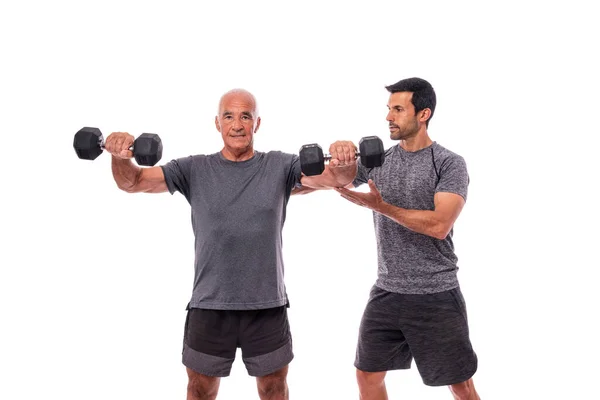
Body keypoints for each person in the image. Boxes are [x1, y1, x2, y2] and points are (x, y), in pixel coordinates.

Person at [102, 88, 353, 400]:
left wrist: (343, 158)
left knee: (274, 389)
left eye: (245, 117)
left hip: (266, 305)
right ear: (217, 123)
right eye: (229, 116)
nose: (237, 125)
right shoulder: (192, 169)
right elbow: (133, 182)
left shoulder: (279, 166)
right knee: (200, 390)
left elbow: (335, 179)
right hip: (210, 304)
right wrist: (119, 156)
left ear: (256, 123)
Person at [326, 77, 480, 399]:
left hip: (436, 295)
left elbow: (440, 225)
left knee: (461, 386)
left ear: (423, 114)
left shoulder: (450, 163)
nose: (388, 117)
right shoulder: (378, 160)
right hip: (387, 291)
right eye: (388, 109)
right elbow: (336, 180)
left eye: (398, 109)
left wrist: (381, 207)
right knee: (367, 376)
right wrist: (340, 155)